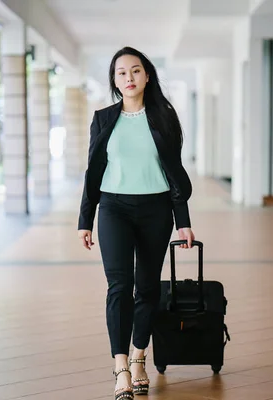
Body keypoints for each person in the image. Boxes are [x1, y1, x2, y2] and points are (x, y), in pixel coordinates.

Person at [77, 46, 195, 399]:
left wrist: (182, 221)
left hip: (156, 210)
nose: (129, 78)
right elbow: (93, 171)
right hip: (113, 208)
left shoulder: (164, 117)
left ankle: (141, 357)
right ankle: (121, 367)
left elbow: (173, 172)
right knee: (119, 286)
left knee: (146, 288)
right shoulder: (102, 118)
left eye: (136, 71)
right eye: (121, 72)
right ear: (114, 80)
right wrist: (86, 218)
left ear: (147, 76)